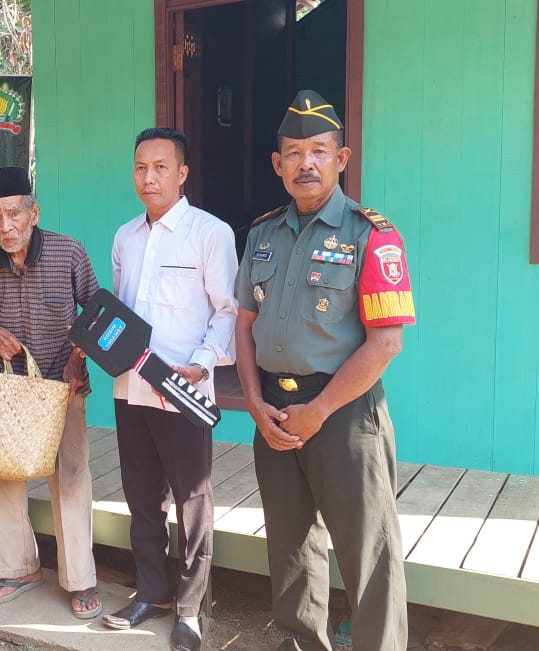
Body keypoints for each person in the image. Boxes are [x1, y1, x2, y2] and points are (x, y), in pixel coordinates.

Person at [234, 90, 414, 651]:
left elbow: (386, 343)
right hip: (273, 412)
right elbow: (244, 326)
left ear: (342, 158)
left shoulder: (371, 235)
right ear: (277, 163)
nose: (305, 163)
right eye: (293, 153)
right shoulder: (262, 234)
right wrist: (254, 403)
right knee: (290, 551)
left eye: (318, 151)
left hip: (344, 414)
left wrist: (319, 410)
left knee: (369, 554)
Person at [101, 127, 239, 651]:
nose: (149, 177)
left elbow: (227, 311)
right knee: (141, 496)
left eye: (161, 167)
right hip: (130, 388)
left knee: (192, 500)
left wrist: (201, 365)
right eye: (141, 167)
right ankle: (152, 593)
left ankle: (190, 610)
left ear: (183, 173)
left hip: (183, 389)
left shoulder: (210, 233)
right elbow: (120, 311)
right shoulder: (125, 237)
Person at [0, 166, 103, 619]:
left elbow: (96, 310)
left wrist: (77, 359)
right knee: (4, 473)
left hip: (64, 384)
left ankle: (80, 578)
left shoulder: (68, 251)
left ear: (33, 213)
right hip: (8, 387)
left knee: (71, 474)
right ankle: (16, 568)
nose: (5, 226)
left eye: (14, 214)